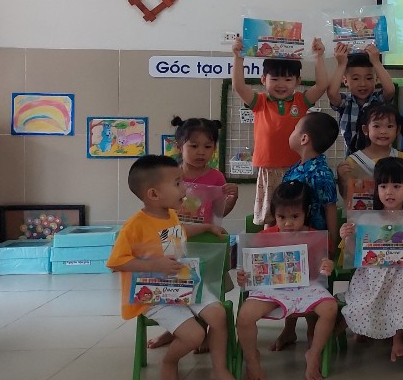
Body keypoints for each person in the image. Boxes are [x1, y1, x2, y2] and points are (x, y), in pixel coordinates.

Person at [107, 155, 233, 380]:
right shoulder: (134, 227)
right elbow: (116, 262)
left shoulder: (171, 214)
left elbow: (179, 230)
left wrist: (207, 227)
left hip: (183, 283)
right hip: (152, 295)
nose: (185, 188)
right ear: (154, 194)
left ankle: (220, 368)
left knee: (218, 315)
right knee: (194, 335)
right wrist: (153, 264)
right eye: (177, 183)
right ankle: (169, 361)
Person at [146, 117, 239, 351]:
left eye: (208, 146)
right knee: (176, 282)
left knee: (205, 286)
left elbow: (219, 212)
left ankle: (206, 329)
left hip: (205, 240)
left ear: (215, 148)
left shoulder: (216, 177)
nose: (201, 152)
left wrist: (232, 198)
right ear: (179, 146)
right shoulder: (169, 175)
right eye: (194, 146)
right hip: (174, 239)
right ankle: (174, 329)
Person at [236, 181, 338, 380]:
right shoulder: (263, 238)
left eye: (295, 217)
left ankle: (313, 354)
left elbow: (322, 266)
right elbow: (250, 269)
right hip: (270, 288)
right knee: (245, 316)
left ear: (306, 212)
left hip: (305, 286)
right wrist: (243, 276)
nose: (288, 223)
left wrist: (327, 265)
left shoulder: (315, 236)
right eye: (281, 217)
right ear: (274, 214)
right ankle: (252, 359)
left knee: (330, 308)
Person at [231, 36, 333, 224]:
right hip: (269, 170)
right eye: (275, 78)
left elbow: (321, 86)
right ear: (263, 79)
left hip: (297, 169)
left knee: (296, 215)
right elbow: (238, 86)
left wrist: (319, 57)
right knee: (270, 217)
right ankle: (269, 241)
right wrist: (238, 57)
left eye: (288, 79)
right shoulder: (260, 102)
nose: (281, 84)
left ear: (298, 80)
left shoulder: (300, 101)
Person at [339, 157, 403, 363]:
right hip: (370, 277)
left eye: (396, 186)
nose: (389, 192)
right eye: (383, 186)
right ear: (377, 189)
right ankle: (363, 329)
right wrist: (347, 237)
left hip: (402, 278)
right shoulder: (367, 219)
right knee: (360, 305)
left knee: (401, 305)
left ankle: (397, 339)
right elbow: (357, 254)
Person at [276, 111, 341, 350]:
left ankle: (314, 332)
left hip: (313, 242)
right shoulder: (294, 169)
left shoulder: (321, 172)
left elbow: (330, 208)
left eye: (295, 129)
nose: (291, 133)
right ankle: (289, 329)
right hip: (290, 238)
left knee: (312, 284)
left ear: (304, 138)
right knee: (289, 280)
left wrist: (331, 241)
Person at [327, 42, 397, 155]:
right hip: (352, 157)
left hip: (380, 157)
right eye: (355, 79)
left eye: (369, 78)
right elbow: (331, 93)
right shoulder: (346, 102)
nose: (363, 84)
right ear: (345, 81)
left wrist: (376, 62)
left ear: (376, 79)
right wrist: (341, 64)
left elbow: (390, 90)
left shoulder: (378, 101)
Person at [337, 103, 403, 210]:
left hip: (394, 216)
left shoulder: (401, 158)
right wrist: (342, 178)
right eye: (376, 126)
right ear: (366, 130)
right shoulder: (353, 161)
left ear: (397, 130)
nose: (383, 131)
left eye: (389, 126)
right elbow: (347, 195)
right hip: (363, 216)